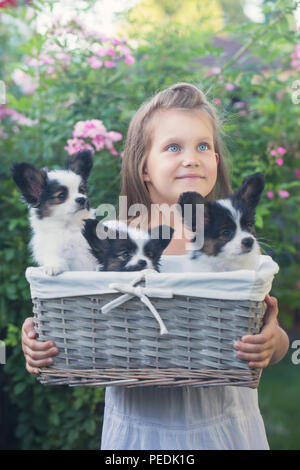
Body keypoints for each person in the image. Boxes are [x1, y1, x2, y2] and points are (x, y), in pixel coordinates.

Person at [21, 83, 289, 450]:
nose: (192, 157)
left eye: (204, 146)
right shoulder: (111, 236)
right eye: (173, 147)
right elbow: (71, 297)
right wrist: (36, 333)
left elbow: (268, 328)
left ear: (216, 160)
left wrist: (273, 343)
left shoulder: (231, 241)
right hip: (140, 430)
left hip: (224, 423)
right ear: (143, 166)